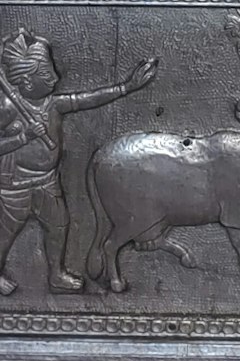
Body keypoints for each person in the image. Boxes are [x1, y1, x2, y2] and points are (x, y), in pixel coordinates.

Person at [0, 30, 156, 294]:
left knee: (58, 228)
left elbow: (86, 100)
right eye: (47, 75)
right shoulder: (7, 109)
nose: (56, 78)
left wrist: (126, 87)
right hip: (15, 186)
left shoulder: (52, 104)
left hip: (47, 181)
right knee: (5, 235)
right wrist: (23, 137)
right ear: (26, 82)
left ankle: (57, 275)